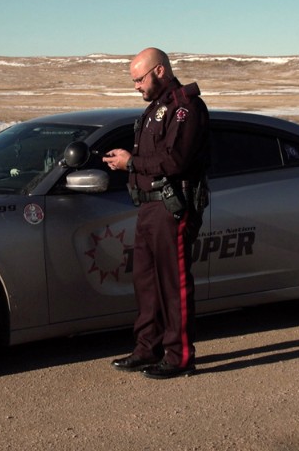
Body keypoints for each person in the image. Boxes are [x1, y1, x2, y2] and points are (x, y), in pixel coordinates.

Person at [103, 47, 209, 379]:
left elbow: (174, 161)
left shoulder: (185, 108)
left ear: (159, 71)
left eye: (138, 79)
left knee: (173, 282)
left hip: (172, 206)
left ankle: (179, 356)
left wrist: (131, 163)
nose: (135, 86)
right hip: (149, 207)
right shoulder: (155, 110)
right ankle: (147, 348)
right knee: (146, 281)